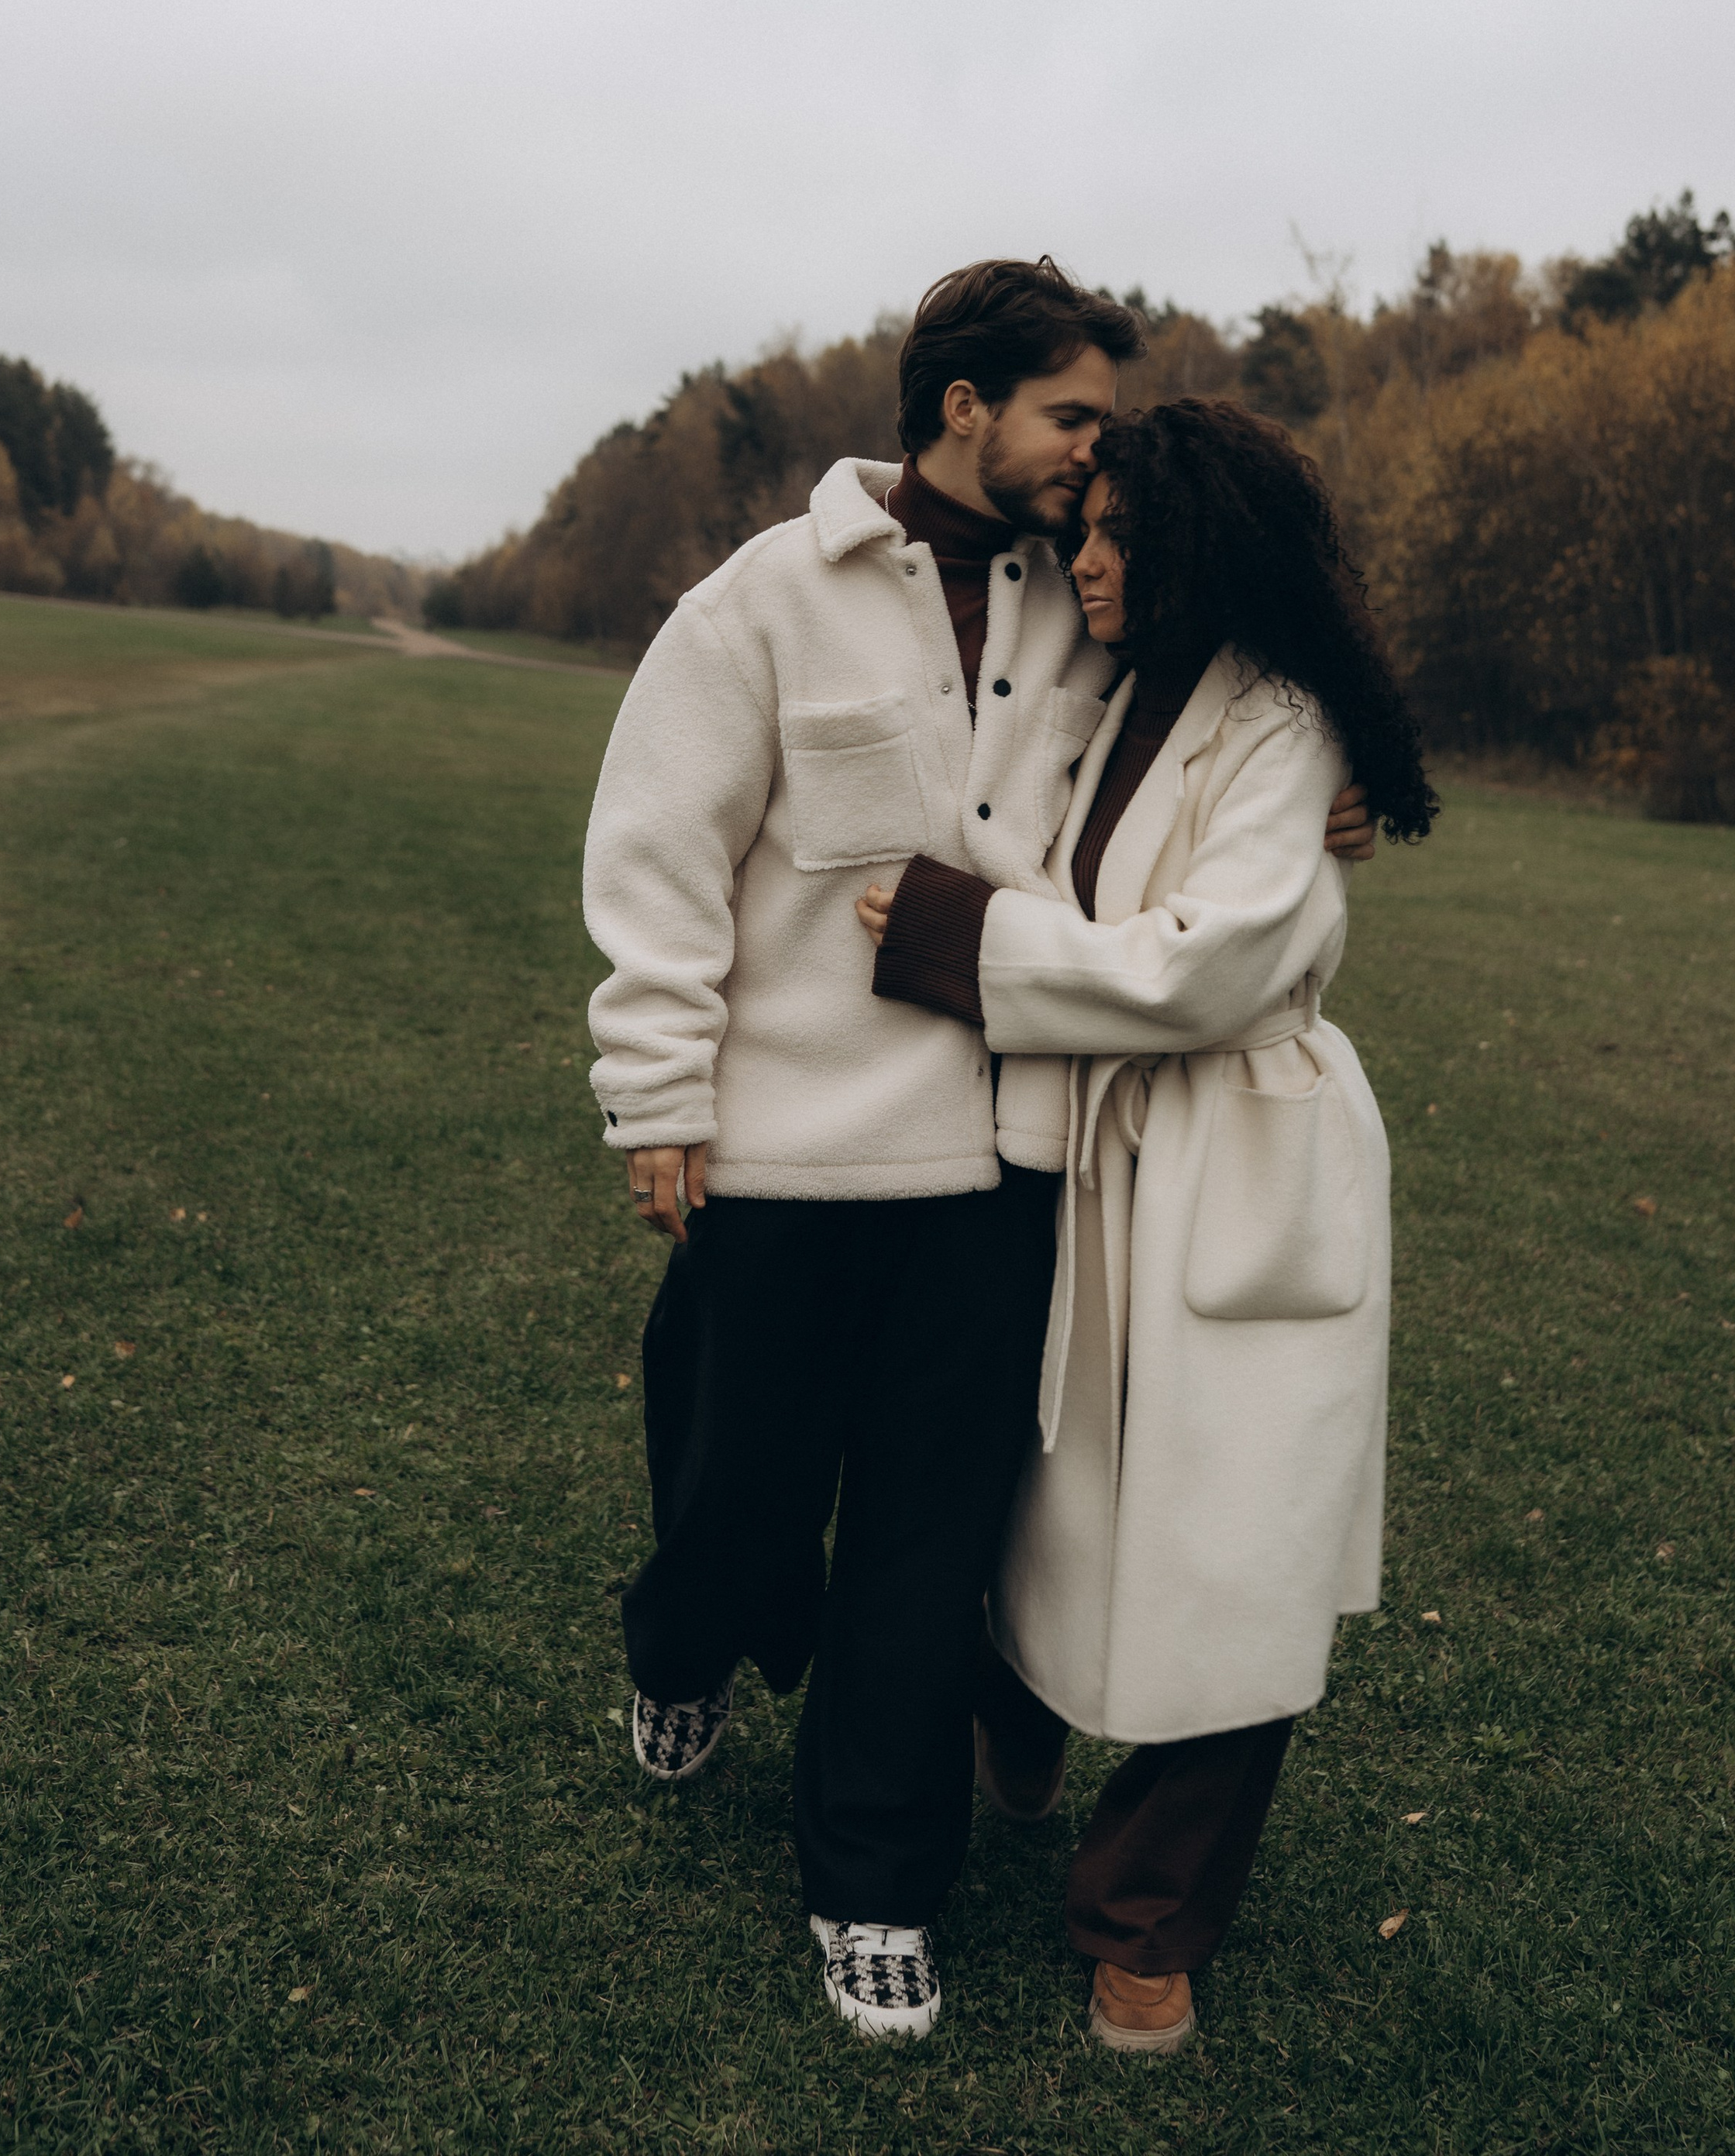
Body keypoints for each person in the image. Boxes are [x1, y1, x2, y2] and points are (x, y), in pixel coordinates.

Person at [583, 267, 1375, 2041]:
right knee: (733, 1501)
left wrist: (1332, 792)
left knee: (927, 1549)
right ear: (962, 406)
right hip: (779, 1162)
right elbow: (653, 851)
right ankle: (680, 1646)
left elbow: (1232, 715)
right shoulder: (758, 603)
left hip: (1002, 1172)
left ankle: (872, 1885)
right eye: (1070, 415)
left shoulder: (1096, 600)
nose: (1093, 449)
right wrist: (658, 1092)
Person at [859, 396, 1434, 2056]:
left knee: (1236, 1547)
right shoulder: (1099, 684)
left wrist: (956, 939)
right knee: (1049, 1491)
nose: (1085, 561)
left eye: (1116, 536)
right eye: (1081, 531)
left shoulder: (1285, 720)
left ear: (1200, 549)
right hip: (1082, 1146)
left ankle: (1148, 1920)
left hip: (1243, 1160)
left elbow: (1203, 966)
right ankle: (1023, 1705)